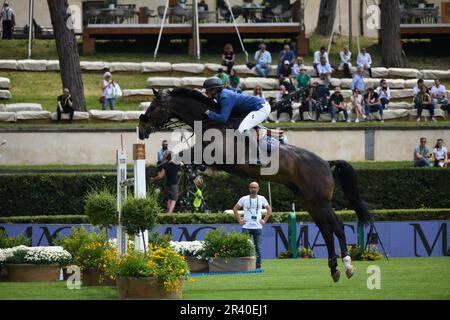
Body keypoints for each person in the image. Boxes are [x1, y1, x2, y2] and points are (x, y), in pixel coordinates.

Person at [203, 77, 271, 165]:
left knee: (242, 129)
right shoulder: (221, 95)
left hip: (260, 108)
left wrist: (209, 113)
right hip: (257, 107)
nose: (205, 92)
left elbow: (223, 118)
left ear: (214, 91)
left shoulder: (225, 97)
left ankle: (259, 157)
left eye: (207, 90)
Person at [233, 181, 272, 270]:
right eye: (252, 187)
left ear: (258, 189)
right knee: (244, 247)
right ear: (249, 188)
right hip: (246, 227)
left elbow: (269, 210)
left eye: (255, 187)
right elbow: (235, 209)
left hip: (258, 227)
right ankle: (244, 266)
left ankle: (258, 266)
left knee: (258, 248)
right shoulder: (244, 199)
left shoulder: (262, 198)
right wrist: (239, 220)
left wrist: (264, 220)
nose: (253, 189)